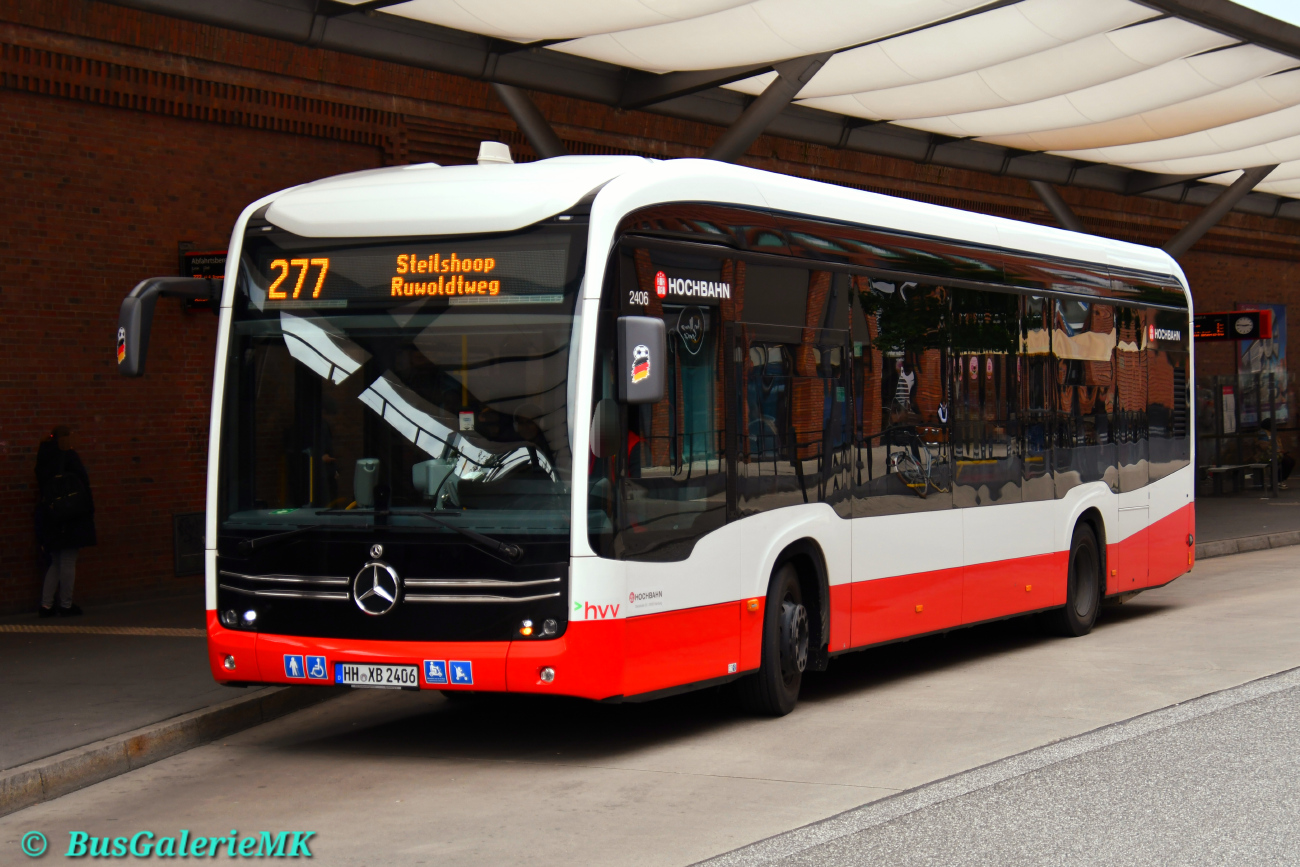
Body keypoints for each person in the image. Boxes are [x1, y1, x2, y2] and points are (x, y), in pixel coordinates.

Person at [34, 425, 95, 617]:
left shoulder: (43, 458)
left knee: (56, 561)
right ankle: (66, 604)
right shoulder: (68, 456)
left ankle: (46, 605)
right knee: (68, 560)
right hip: (71, 514)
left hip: (51, 514)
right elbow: (84, 482)